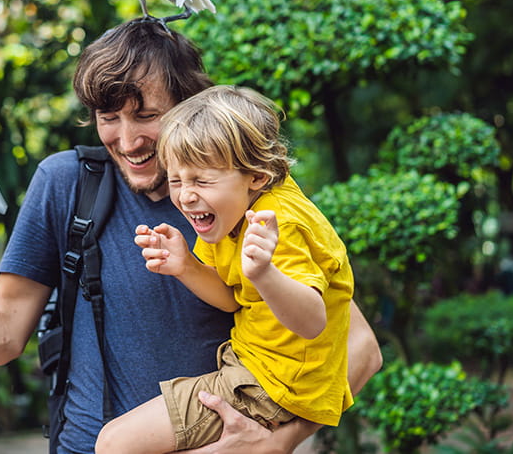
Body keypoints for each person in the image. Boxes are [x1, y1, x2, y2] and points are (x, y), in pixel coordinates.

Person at [0, 19, 382, 454]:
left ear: (193, 106)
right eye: (108, 116)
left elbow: (357, 347)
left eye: (147, 114)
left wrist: (275, 440)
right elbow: (1, 335)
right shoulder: (68, 183)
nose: (127, 138)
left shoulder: (240, 197)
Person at [95, 85, 354, 453]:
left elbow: (312, 322)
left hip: (275, 385)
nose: (185, 195)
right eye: (176, 180)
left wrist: (266, 274)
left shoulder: (278, 224)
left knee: (115, 444)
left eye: (201, 180)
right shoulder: (229, 214)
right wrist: (185, 266)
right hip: (257, 370)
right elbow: (232, 299)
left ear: (257, 177)